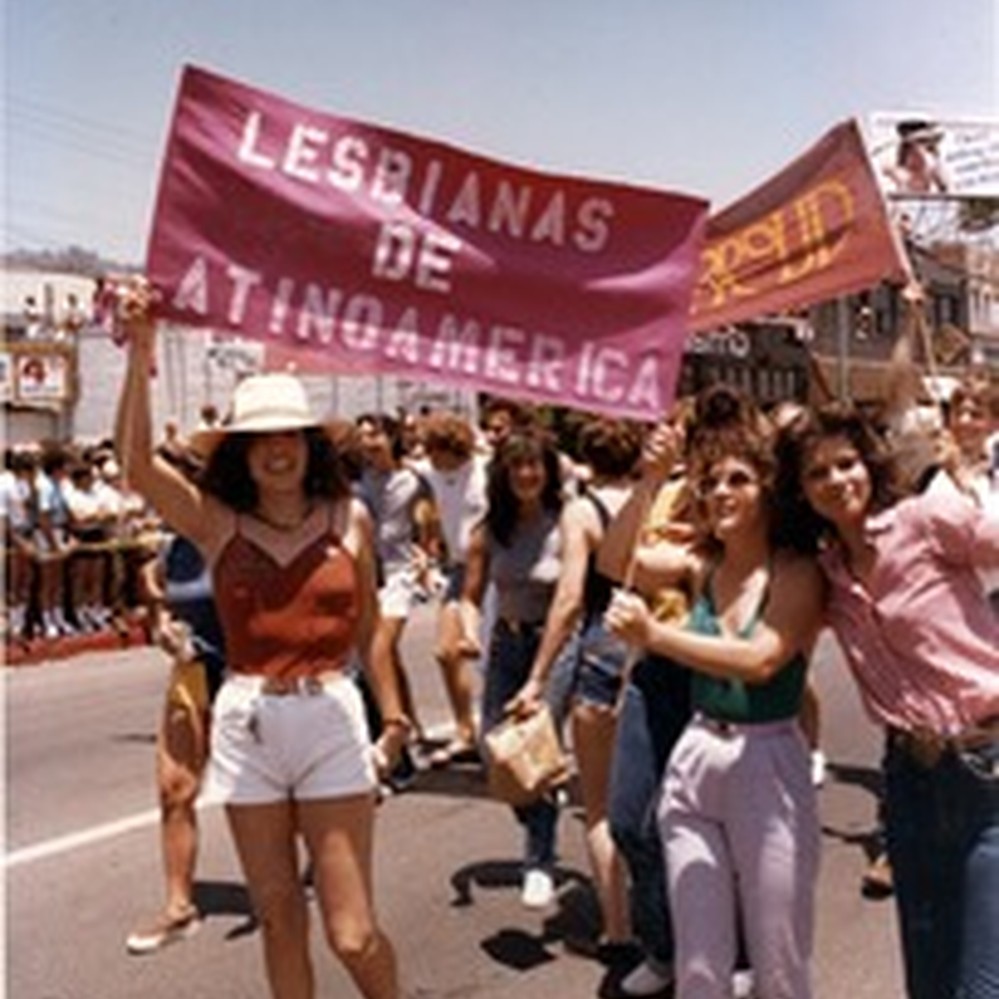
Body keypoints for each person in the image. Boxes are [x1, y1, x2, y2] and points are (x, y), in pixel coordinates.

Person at [115, 283, 406, 999]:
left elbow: (368, 629)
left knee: (352, 932)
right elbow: (134, 465)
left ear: (308, 445)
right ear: (239, 455)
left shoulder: (350, 519)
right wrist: (142, 350)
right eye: (259, 440)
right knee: (278, 918)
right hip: (246, 723)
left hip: (331, 719)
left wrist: (394, 718)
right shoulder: (217, 523)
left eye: (289, 436)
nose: (276, 451)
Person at [606, 389, 825, 999]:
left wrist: (656, 634)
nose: (720, 492)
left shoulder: (796, 571)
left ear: (767, 491)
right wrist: (648, 482)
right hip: (697, 758)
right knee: (701, 965)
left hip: (769, 762)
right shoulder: (699, 562)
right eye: (709, 482)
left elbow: (762, 660)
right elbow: (615, 557)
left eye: (738, 480)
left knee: (778, 958)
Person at [777, 401, 999, 999]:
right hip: (909, 781)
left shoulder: (926, 520)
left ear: (869, 463)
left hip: (989, 772)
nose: (836, 481)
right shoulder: (826, 573)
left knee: (982, 985)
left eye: (846, 463)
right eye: (817, 473)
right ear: (800, 490)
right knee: (927, 977)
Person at [506, 416, 644, 956]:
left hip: (602, 655)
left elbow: (567, 601)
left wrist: (538, 677)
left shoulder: (583, 512)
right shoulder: (653, 502)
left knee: (601, 806)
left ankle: (618, 927)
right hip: (658, 652)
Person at [457, 427, 576, 909]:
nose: (527, 474)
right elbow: (469, 595)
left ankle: (539, 862)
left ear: (547, 471)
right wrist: (467, 630)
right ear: (502, 474)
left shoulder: (567, 521)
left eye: (535, 465)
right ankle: (540, 806)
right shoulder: (489, 530)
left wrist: (540, 676)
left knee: (534, 750)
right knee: (493, 749)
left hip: (555, 646)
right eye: (517, 466)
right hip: (506, 643)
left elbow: (573, 597)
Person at [126, 444, 227, 955]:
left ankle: (310, 875)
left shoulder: (235, 529)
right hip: (193, 671)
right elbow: (160, 590)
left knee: (278, 799)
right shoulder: (174, 546)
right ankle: (180, 906)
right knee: (174, 788)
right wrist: (165, 624)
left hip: (251, 679)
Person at [415, 411, 489, 767]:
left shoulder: (485, 472)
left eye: (435, 450)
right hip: (458, 569)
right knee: (446, 651)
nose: (430, 458)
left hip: (492, 570)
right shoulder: (432, 474)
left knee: (494, 657)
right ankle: (465, 730)